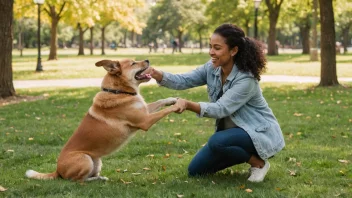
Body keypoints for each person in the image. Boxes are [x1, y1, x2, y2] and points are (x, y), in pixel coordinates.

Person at [149, 24, 285, 182]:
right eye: (210, 47)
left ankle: (259, 163)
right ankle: (236, 152)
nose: (211, 52)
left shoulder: (246, 79)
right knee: (196, 170)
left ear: (233, 51)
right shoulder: (212, 67)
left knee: (217, 142)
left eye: (217, 48)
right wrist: (156, 74)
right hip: (231, 135)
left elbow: (220, 109)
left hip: (258, 132)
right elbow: (184, 80)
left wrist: (188, 104)